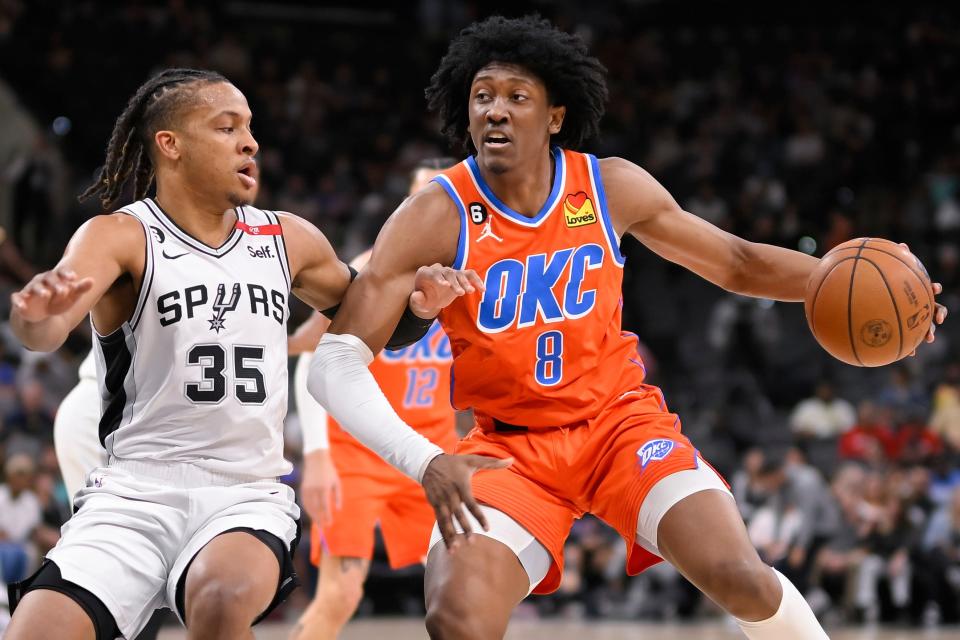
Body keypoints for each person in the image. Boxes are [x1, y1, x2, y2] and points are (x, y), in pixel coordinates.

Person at [307, 16, 947, 639]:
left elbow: (736, 262)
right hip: (510, 449)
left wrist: (864, 293)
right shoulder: (434, 214)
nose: (494, 111)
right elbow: (334, 365)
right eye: (481, 97)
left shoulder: (608, 186)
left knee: (739, 576)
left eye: (515, 96)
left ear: (555, 116)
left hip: (619, 425)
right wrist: (426, 461)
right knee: (457, 618)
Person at [4, 68, 474, 640]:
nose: (250, 142)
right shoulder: (120, 237)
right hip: (131, 492)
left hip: (243, 493)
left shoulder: (288, 238)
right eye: (226, 128)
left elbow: (370, 329)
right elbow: (47, 331)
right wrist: (32, 316)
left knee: (222, 599)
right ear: (169, 145)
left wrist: (418, 311)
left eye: (250, 128)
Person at [289, 159, 459, 640]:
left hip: (431, 452)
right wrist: (319, 457)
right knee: (341, 596)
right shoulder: (373, 269)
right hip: (356, 452)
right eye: (420, 197)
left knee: (466, 588)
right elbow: (316, 357)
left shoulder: (482, 273)